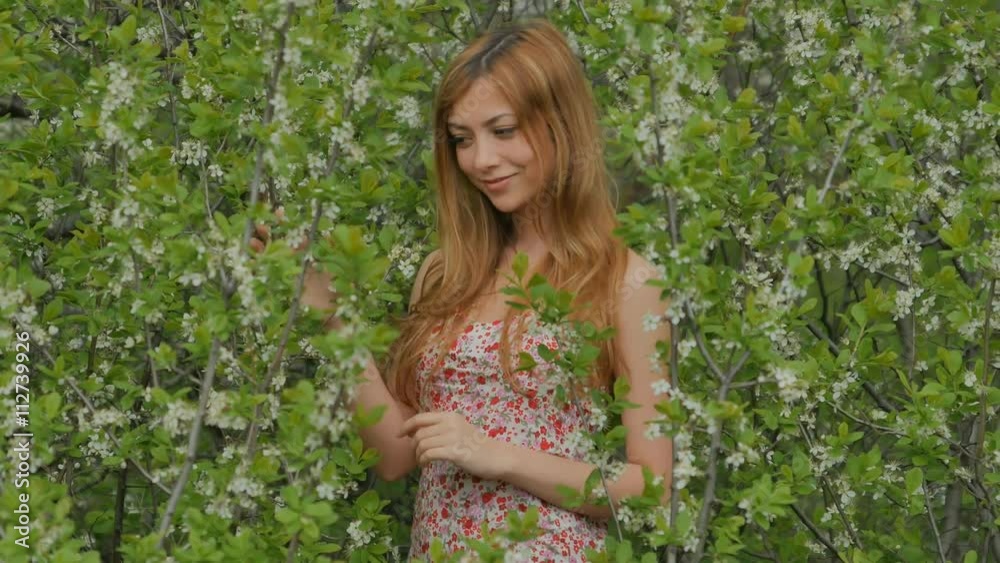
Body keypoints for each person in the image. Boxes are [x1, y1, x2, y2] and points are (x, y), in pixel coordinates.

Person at [252, 17, 672, 563]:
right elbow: (396, 456)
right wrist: (331, 319)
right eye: (462, 139)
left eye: (503, 130)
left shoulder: (625, 280)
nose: (481, 160)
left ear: (560, 125)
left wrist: (499, 456)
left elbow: (652, 490)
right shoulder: (444, 274)